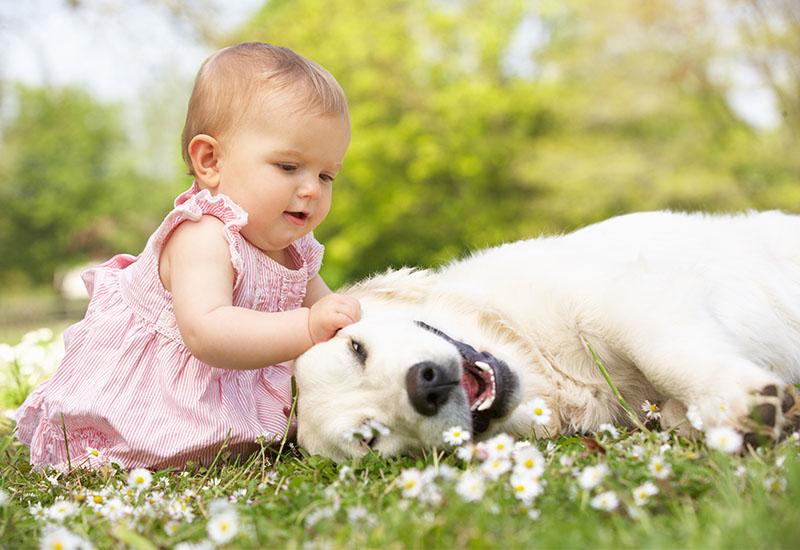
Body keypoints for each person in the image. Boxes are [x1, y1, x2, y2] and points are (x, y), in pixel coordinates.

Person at [15, 42, 361, 470]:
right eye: (289, 167)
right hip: (153, 398)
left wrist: (346, 322)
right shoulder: (202, 234)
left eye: (326, 175)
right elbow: (208, 332)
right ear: (210, 160)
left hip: (225, 393)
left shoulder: (297, 251)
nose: (311, 189)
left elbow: (329, 311)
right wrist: (309, 325)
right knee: (130, 450)